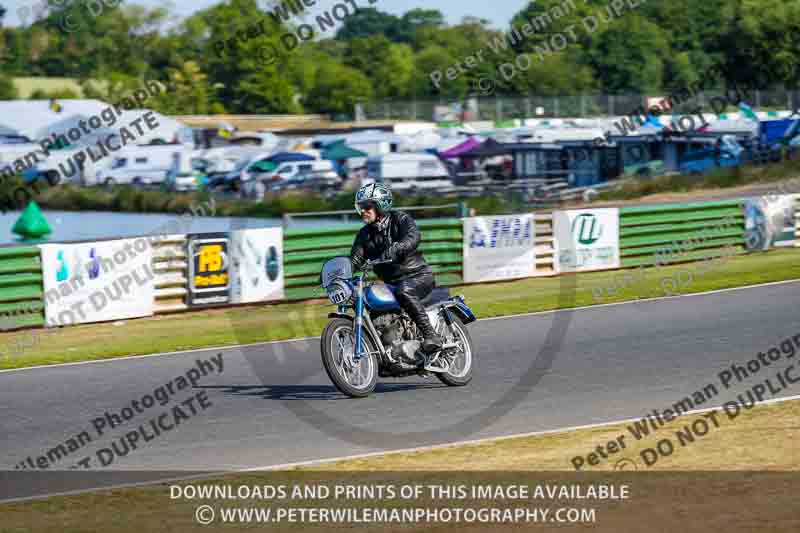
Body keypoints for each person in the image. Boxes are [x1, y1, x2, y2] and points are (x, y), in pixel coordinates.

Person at [349, 183, 443, 354]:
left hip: (418, 275)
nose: (363, 211)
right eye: (361, 207)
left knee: (404, 291)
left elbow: (413, 236)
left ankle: (431, 335)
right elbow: (355, 258)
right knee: (368, 300)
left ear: (381, 205)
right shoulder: (364, 235)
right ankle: (387, 348)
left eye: (367, 206)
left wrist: (399, 247)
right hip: (390, 283)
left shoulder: (400, 219)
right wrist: (340, 272)